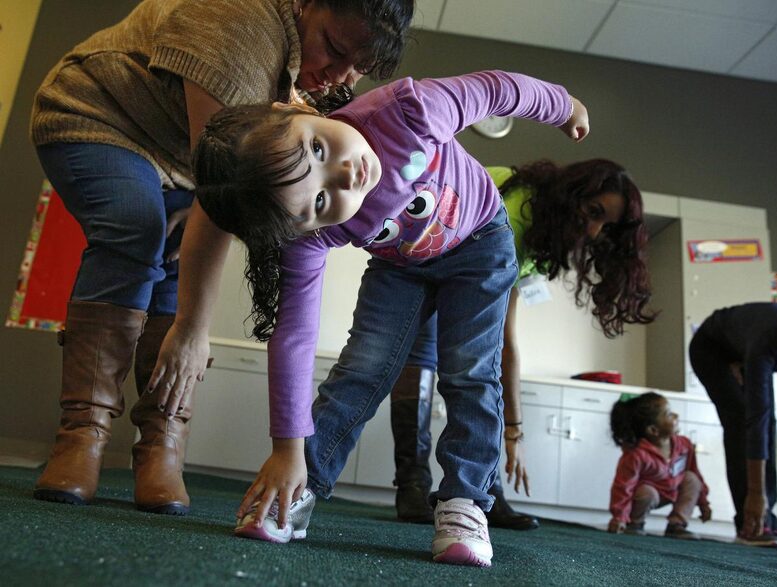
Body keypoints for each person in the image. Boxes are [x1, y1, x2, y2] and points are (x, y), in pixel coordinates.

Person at [191, 70, 590, 567]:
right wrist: (286, 447)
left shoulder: (407, 113)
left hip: (482, 245)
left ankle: (464, 502)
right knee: (362, 368)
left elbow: (495, 90)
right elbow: (294, 335)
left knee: (468, 372)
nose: (344, 176)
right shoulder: (307, 235)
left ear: (290, 111)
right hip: (402, 264)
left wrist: (561, 102)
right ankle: (300, 485)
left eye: (316, 149)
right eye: (319, 202)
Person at [30, 0, 413, 516]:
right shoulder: (236, 24)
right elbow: (218, 197)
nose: (341, 77)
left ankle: (161, 445)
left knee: (172, 264)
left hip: (177, 162)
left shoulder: (304, 68)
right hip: (99, 115)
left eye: (358, 68)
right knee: (137, 232)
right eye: (335, 48)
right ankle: (82, 435)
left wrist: (188, 312)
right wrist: (192, 328)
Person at [389, 159, 654, 529]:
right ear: (572, 195)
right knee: (426, 359)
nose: (594, 232)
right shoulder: (516, 215)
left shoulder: (541, 234)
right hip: (425, 251)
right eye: (594, 213)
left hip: (467, 264)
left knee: (480, 360)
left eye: (606, 226)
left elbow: (504, 340)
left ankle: (485, 489)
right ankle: (413, 485)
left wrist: (515, 431)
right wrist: (513, 431)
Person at [689, 295, 777, 549]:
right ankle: (750, 523)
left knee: (769, 428)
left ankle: (767, 521)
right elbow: (756, 421)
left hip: (744, 354)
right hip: (711, 349)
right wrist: (755, 494)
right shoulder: (765, 335)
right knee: (743, 422)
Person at [606, 392, 712, 540]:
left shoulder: (684, 445)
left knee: (692, 479)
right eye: (668, 414)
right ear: (653, 430)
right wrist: (619, 517)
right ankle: (635, 523)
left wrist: (703, 503)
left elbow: (695, 472)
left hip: (673, 490)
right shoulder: (637, 455)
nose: (675, 416)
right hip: (647, 496)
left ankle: (677, 525)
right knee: (647, 492)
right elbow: (623, 487)